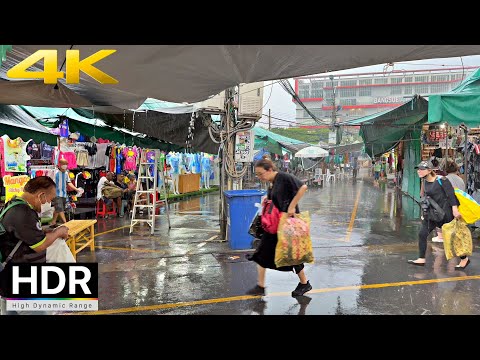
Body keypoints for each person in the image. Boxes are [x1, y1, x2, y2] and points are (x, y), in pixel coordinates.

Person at [0, 176, 69, 314]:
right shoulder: (23, 212)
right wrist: (58, 232)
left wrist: (44, 231)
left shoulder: (14, 204)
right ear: (41, 196)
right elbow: (40, 245)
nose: (50, 203)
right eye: (50, 199)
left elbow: (22, 234)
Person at [246, 158, 312, 297]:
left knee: (292, 255)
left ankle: (304, 283)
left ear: (270, 170)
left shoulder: (283, 177)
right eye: (257, 174)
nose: (259, 177)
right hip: (276, 224)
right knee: (262, 253)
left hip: (288, 223)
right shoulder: (272, 182)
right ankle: (261, 286)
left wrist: (292, 206)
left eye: (260, 174)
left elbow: (303, 187)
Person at [407, 160, 468, 269]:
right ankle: (421, 258)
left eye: (422, 169)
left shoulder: (442, 180)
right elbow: (426, 198)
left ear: (429, 170)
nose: (419, 171)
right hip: (432, 214)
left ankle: (464, 259)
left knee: (453, 238)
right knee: (422, 234)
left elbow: (451, 196)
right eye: (419, 169)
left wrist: (454, 209)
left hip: (445, 214)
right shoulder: (424, 182)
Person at [432, 160, 466, 243]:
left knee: (441, 218)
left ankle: (441, 237)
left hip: (448, 203)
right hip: (459, 203)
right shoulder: (461, 180)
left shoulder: (445, 179)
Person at [51, 158, 79, 226]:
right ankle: (66, 223)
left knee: (58, 208)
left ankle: (53, 222)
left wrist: (76, 189)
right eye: (63, 165)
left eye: (66, 165)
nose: (65, 167)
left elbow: (69, 182)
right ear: (59, 165)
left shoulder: (66, 173)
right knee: (60, 209)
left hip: (63, 194)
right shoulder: (56, 173)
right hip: (56, 194)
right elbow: (52, 184)